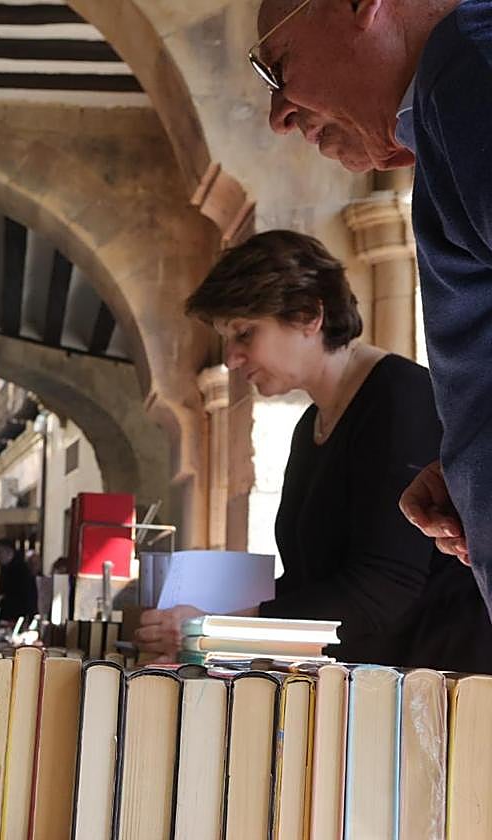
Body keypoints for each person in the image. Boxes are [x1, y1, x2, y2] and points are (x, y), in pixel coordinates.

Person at [135, 231, 492, 670]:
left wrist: (220, 629)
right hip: (367, 684)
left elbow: (381, 590)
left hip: (440, 686)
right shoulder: (311, 426)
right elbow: (313, 583)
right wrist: (210, 626)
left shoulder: (401, 400)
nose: (231, 358)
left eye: (245, 334)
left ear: (309, 316)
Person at [249, 0, 492, 614]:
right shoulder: (453, 87)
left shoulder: (472, 72)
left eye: (277, 64)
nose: (279, 115)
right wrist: (471, 464)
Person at [0, 539, 37, 625]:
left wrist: (1, 600)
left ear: (8, 551)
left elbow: (18, 595)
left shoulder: (19, 570)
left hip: (16, 617)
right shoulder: (6, 569)